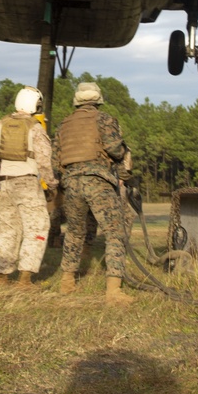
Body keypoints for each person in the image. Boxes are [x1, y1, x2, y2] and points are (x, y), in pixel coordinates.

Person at [52, 82, 134, 305]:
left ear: (77, 100)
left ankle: (67, 282)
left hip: (71, 183)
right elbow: (115, 150)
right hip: (98, 181)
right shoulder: (104, 119)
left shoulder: (63, 125)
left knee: (74, 233)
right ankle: (114, 291)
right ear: (98, 99)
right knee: (115, 232)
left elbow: (55, 162)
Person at [0, 86, 56, 290]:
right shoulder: (35, 128)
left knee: (8, 230)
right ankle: (25, 279)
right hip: (27, 183)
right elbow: (44, 161)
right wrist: (52, 183)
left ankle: (2, 277)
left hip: (4, 184)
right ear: (35, 105)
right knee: (36, 229)